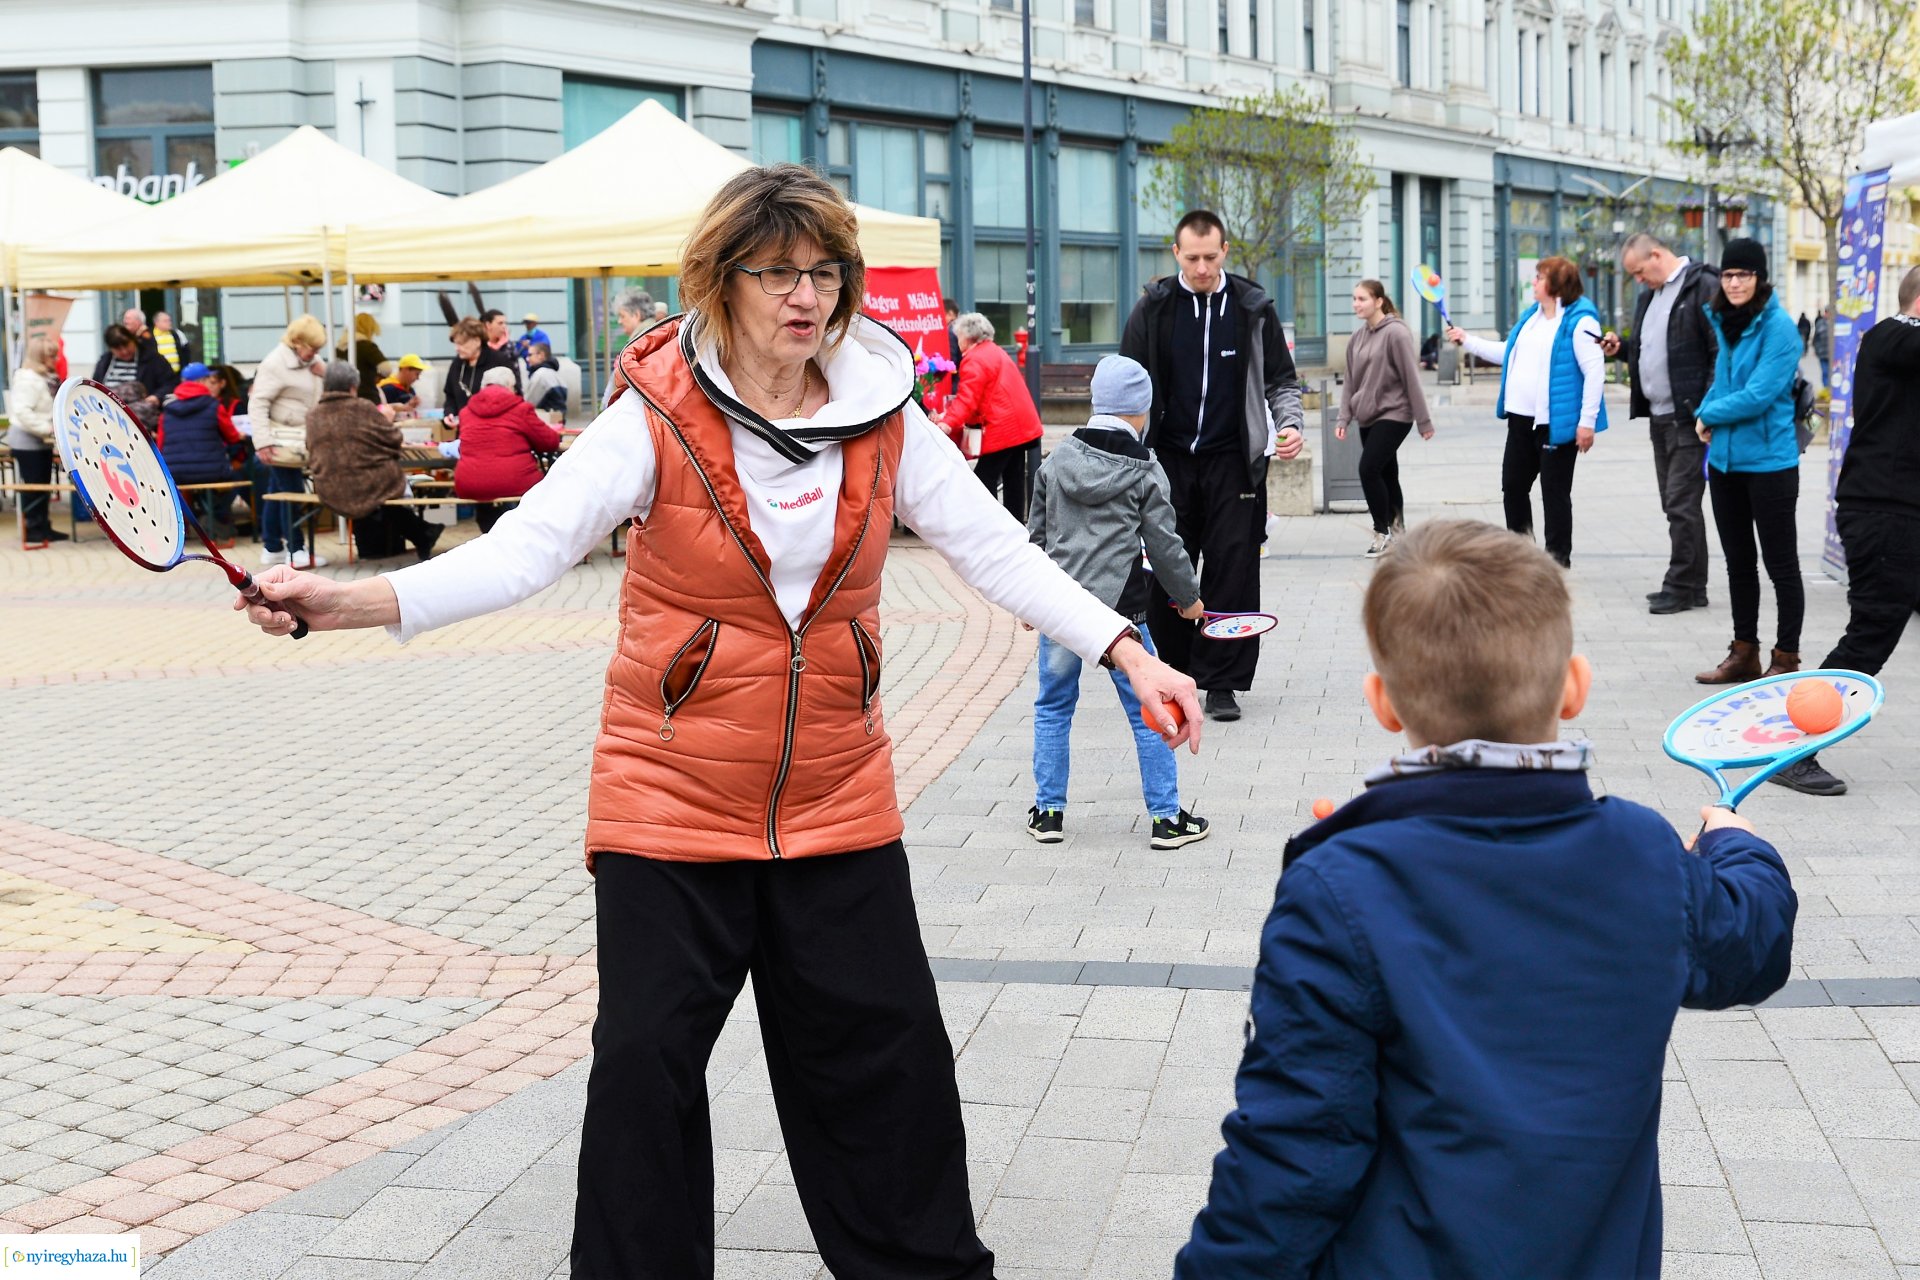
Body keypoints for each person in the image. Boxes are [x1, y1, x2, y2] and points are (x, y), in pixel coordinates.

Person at [236, 162, 1200, 1280]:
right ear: (722, 280)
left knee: (890, 1062)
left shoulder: (878, 405)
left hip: (836, 794)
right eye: (778, 271)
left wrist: (1127, 649)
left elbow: (996, 551)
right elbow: (527, 549)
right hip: (669, 796)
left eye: (826, 271)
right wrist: (347, 604)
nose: (808, 294)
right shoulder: (655, 411)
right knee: (644, 1063)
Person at [1175, 518, 1796, 1280]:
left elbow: (1294, 1151)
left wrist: (1355, 861)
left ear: (1384, 704)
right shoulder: (1645, 855)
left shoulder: (1339, 889)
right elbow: (1753, 945)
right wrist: (1736, 841)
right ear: (1574, 688)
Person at [1120, 208, 1306, 722]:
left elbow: (1282, 383)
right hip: (1168, 462)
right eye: (1192, 257)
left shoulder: (1252, 308)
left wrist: (1290, 426)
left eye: (1211, 256)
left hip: (1233, 462)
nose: (1202, 267)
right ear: (1175, 254)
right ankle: (1172, 674)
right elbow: (1126, 383)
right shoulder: (1154, 309)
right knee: (1166, 570)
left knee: (1233, 571)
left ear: (1225, 251)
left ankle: (1222, 683)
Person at [1027, 354, 1212, 849]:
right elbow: (1166, 546)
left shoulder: (1057, 459)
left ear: (1095, 402)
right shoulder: (1145, 470)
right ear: (1142, 412)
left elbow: (1035, 537)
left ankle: (1048, 812)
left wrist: (1031, 602)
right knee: (1150, 712)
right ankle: (1166, 818)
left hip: (1061, 608)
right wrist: (1189, 599)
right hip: (1122, 614)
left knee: (1052, 706)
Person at [1771, 266, 1920, 797]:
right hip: (1885, 513)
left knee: (1873, 632)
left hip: (1900, 509)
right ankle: (1794, 746)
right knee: (1871, 636)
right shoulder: (1891, 336)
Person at [1692, 239, 1807, 685]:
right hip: (1725, 464)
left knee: (1781, 565)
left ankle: (1787, 656)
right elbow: (1722, 383)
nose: (1734, 282)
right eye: (1728, 274)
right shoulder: (1726, 321)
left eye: (1743, 274)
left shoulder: (1778, 327)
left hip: (1770, 464)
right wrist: (1705, 408)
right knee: (1738, 561)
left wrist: (1708, 415)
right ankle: (1744, 652)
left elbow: (1760, 395)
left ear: (1760, 278)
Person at [1446, 256, 1606, 568]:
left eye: (1539, 277)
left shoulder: (1580, 322)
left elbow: (1594, 372)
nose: (1533, 283)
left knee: (1554, 494)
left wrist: (1586, 423)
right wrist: (1468, 340)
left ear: (1557, 285)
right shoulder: (1532, 317)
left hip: (1555, 424)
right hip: (1520, 420)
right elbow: (1508, 351)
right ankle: (1521, 555)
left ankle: (1558, 562)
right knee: (1513, 487)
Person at [1601, 232, 1721, 615]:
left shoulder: (1702, 285)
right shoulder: (1649, 297)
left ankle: (1680, 585)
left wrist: (1709, 409)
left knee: (1681, 503)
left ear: (1656, 255)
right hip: (1659, 416)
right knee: (1677, 505)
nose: (1638, 280)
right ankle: (1693, 586)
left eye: (1639, 271)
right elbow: (1650, 347)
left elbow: (1718, 351)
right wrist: (1621, 349)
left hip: (1690, 417)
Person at [304, 362, 443, 562]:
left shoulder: (313, 415)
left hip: (328, 487)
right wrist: (386, 419)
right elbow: (394, 439)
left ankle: (424, 534)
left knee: (372, 492)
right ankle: (424, 533)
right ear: (353, 386)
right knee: (386, 487)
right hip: (368, 484)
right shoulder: (362, 408)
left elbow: (310, 446)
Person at [1335, 280, 1433, 557]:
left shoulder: (1397, 334)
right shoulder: (1357, 338)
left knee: (1368, 469)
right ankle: (1400, 533)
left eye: (1362, 299)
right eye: (1354, 299)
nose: (1356, 304)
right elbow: (1350, 382)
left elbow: (1411, 378)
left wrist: (1424, 421)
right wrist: (1344, 418)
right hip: (1368, 415)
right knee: (1388, 474)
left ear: (1379, 301)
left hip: (1396, 413)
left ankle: (1382, 531)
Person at [937, 312, 1044, 519]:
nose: (957, 341)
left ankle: (988, 525)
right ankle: (1015, 527)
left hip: (1004, 428)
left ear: (968, 337)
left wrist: (947, 422)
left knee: (983, 479)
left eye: (958, 336)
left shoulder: (975, 359)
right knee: (1013, 479)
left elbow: (968, 399)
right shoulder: (994, 351)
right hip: (1020, 425)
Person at [249, 314, 329, 569]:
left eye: (318, 349)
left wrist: (324, 372)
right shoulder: (274, 364)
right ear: (296, 342)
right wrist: (262, 443)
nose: (315, 353)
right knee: (291, 493)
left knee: (278, 492)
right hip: (282, 441)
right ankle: (296, 548)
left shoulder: (312, 361)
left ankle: (272, 547)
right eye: (312, 348)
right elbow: (258, 403)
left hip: (299, 440)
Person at [454, 366, 563, 532]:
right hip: (513, 479)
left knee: (488, 487)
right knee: (547, 486)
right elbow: (548, 443)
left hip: (469, 482)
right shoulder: (520, 409)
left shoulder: (466, 412)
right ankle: (533, 535)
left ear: (484, 386)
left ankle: (491, 532)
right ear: (509, 386)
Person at [157, 361, 244, 534]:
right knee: (238, 474)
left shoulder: (167, 410)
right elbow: (232, 437)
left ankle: (193, 520)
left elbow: (160, 445)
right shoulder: (214, 405)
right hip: (212, 472)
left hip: (175, 474)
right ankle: (217, 521)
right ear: (202, 381)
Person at [6, 335, 63, 544]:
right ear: (40, 357)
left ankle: (43, 526)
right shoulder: (28, 380)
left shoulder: (42, 377)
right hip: (27, 441)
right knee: (33, 487)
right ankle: (32, 528)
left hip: (40, 440)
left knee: (43, 485)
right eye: (51, 356)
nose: (55, 359)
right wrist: (47, 428)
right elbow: (22, 412)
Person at [443, 316, 520, 425]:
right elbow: (450, 395)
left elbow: (515, 395)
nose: (457, 348)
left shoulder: (499, 360)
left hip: (495, 429)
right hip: (465, 430)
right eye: (456, 344)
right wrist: (449, 413)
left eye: (461, 344)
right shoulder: (457, 364)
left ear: (477, 341)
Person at [91, 323, 176, 402]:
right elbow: (94, 387)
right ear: (111, 349)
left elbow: (170, 383)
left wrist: (156, 397)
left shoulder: (154, 360)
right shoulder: (104, 362)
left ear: (133, 340)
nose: (124, 351)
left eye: (126, 345)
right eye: (118, 349)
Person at [348, 312, 387, 402]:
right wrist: (378, 377)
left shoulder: (341, 348)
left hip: (347, 398)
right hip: (368, 396)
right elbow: (386, 369)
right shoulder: (367, 346)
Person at [524, 341, 567, 418]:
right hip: (558, 420)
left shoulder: (540, 375)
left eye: (530, 355)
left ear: (541, 355)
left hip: (545, 421)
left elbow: (528, 404)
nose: (527, 359)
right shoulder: (556, 375)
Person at [1813, 305, 1832, 388]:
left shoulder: (1835, 323)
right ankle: (1826, 388)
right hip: (1823, 353)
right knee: (1825, 372)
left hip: (1833, 354)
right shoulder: (1820, 323)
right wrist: (1817, 350)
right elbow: (1815, 338)